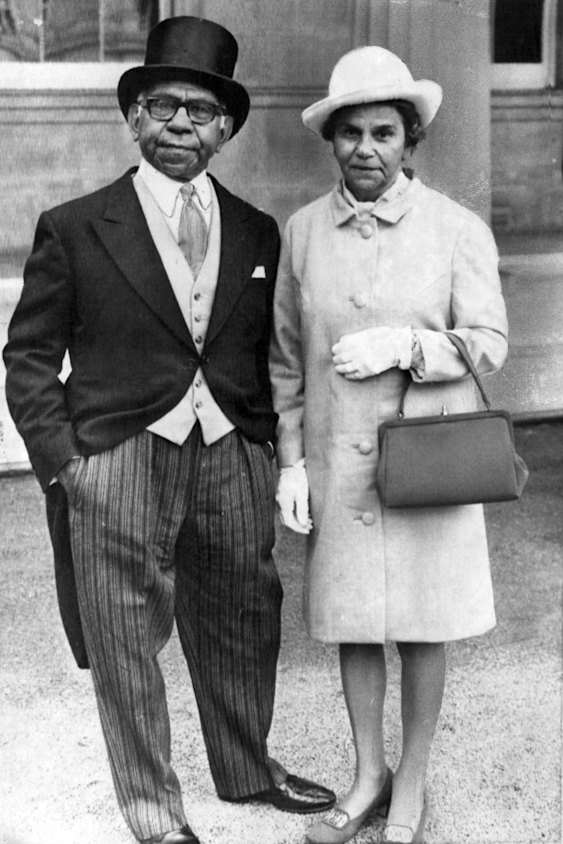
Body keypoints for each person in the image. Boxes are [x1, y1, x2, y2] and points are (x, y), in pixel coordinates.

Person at [3, 16, 335, 844]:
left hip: (231, 451)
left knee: (244, 616)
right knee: (123, 637)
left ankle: (246, 769)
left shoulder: (258, 231)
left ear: (225, 128)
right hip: (116, 454)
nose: (179, 124)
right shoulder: (76, 226)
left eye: (198, 111)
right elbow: (29, 357)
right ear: (134, 119)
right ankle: (155, 815)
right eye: (162, 107)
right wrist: (65, 465)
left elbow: (272, 354)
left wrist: (269, 453)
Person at [269, 46, 508, 844]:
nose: (364, 149)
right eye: (349, 134)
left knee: (421, 623)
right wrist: (291, 462)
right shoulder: (302, 233)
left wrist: (408, 345)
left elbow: (488, 342)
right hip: (338, 464)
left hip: (426, 462)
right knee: (351, 622)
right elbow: (281, 360)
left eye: (382, 132)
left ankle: (411, 779)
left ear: (410, 140)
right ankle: (366, 775)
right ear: (329, 140)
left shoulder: (455, 229)